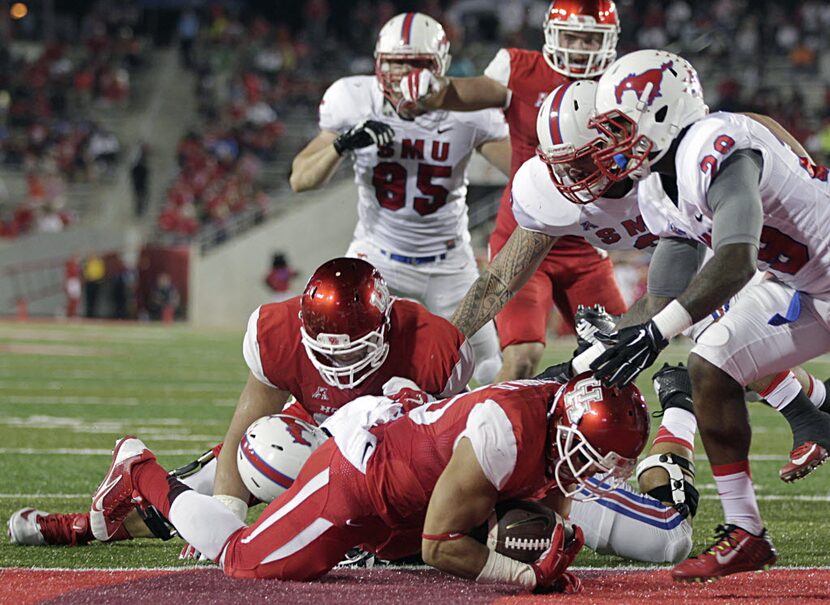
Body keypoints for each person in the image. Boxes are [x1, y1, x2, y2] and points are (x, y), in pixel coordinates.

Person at [562, 49, 830, 581]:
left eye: (617, 127)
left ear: (663, 115)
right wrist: (592, 356)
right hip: (806, 284)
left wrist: (655, 334)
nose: (607, 145)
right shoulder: (659, 185)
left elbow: (734, 260)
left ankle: (814, 420)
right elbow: (664, 293)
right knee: (711, 365)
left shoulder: (714, 143)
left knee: (707, 350)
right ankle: (747, 531)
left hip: (806, 276)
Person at [8, 257, 474, 548]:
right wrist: (226, 515)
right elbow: (242, 431)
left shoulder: (434, 350)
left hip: (382, 450)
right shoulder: (278, 335)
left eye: (354, 350)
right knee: (198, 501)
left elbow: (443, 458)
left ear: (386, 330)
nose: (342, 365)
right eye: (328, 351)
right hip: (307, 435)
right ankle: (81, 525)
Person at [87, 375, 650, 590]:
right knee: (243, 560)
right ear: (569, 426)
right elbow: (439, 546)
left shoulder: (557, 423)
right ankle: (140, 471)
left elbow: (551, 495)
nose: (598, 471)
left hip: (411, 495)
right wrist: (524, 577)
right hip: (359, 478)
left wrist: (554, 544)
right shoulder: (505, 432)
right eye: (597, 455)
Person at [400, 0, 628, 380]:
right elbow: (469, 92)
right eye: (573, 36)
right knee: (522, 355)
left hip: (587, 245)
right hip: (525, 235)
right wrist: (435, 90)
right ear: (552, 35)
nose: (581, 48)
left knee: (620, 357)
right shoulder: (521, 69)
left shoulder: (618, 85)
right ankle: (494, 433)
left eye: (591, 40)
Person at [289, 12, 511, 384]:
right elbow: (300, 179)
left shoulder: (469, 112)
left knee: (491, 368)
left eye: (417, 65)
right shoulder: (355, 100)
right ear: (378, 65)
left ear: (440, 67)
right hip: (377, 256)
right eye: (396, 65)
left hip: (449, 264)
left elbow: (524, 172)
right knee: (332, 351)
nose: (405, 76)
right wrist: (342, 146)